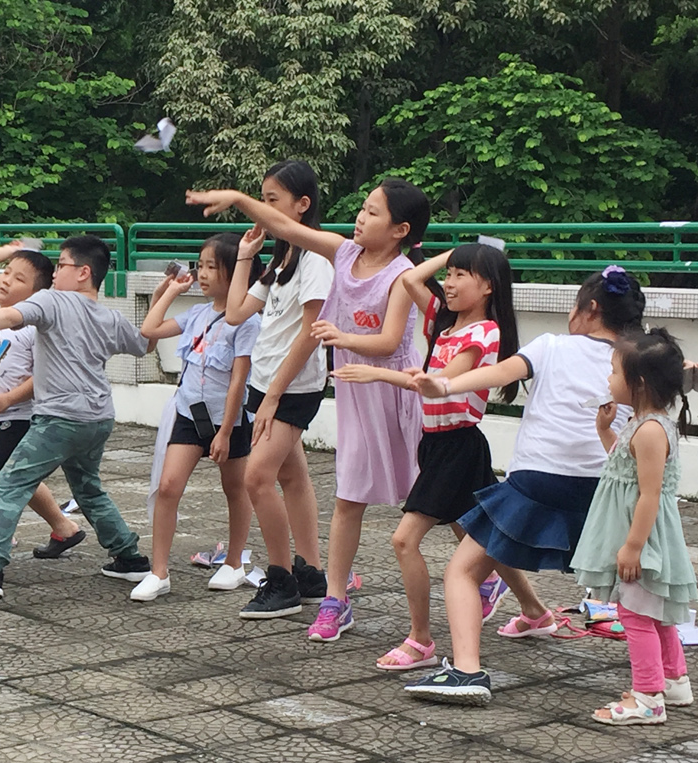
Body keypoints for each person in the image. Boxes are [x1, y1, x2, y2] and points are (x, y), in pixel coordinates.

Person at [188, 177, 430, 636]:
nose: (361, 216)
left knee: (437, 494)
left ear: (400, 230)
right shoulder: (340, 253)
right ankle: (331, 597)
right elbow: (283, 232)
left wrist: (342, 339)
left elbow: (391, 340)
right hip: (355, 396)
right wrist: (239, 203)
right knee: (346, 498)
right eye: (363, 206)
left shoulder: (399, 274)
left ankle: (493, 577)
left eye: (373, 212)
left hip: (393, 392)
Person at [403, 267, 647, 703]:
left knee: (461, 570)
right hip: (608, 489)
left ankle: (467, 672)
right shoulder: (639, 358)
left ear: (589, 310)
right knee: (640, 586)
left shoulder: (552, 345)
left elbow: (498, 374)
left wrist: (445, 384)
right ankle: (665, 679)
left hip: (537, 481)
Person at [0, 235, 154, 599]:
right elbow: (145, 344)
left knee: (8, 483)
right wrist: (163, 299)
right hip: (98, 419)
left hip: (60, 420)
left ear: (83, 272)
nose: (56, 272)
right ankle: (130, 558)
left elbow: (8, 315)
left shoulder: (52, 301)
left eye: (62, 264)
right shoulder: (110, 316)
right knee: (88, 488)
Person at [329, 243, 519, 670]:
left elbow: (439, 382)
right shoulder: (443, 323)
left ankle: (420, 639)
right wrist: (456, 251)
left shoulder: (484, 332)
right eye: (448, 274)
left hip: (459, 446)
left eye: (460, 276)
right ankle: (536, 612)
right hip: (434, 443)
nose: (448, 284)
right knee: (486, 537)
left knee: (404, 539)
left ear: (487, 286)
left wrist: (376, 371)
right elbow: (411, 278)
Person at [219, 161, 333, 610]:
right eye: (262, 200)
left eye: (272, 201)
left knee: (257, 477)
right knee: (293, 476)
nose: (263, 210)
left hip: (291, 387)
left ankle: (281, 579)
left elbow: (310, 334)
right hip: (268, 380)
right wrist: (246, 255)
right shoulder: (283, 255)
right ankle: (311, 572)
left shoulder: (317, 258)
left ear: (302, 205)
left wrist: (271, 397)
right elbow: (234, 313)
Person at [573, 328, 697, 724]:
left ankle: (648, 696)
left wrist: (633, 546)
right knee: (653, 613)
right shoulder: (643, 423)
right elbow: (623, 467)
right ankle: (674, 680)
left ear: (638, 383)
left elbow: (648, 493)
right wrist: (605, 430)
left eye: (613, 372)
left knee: (635, 615)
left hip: (644, 538)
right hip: (644, 535)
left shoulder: (649, 431)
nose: (608, 381)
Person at [133, 233, 259, 599]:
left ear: (233, 272)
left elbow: (239, 379)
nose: (202, 274)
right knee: (168, 486)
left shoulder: (246, 320)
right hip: (189, 413)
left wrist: (225, 432)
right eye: (199, 266)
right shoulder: (198, 314)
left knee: (235, 488)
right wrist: (171, 290)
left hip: (228, 419)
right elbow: (149, 330)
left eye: (211, 267)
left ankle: (234, 562)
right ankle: (159, 571)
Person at [0, 241, 84, 555]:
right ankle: (64, 528)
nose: (6, 280)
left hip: (16, 417)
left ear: (36, 294)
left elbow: (42, 375)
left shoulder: (35, 327)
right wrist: (11, 249)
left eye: (18, 279)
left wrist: (10, 398)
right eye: (5, 272)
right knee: (16, 475)